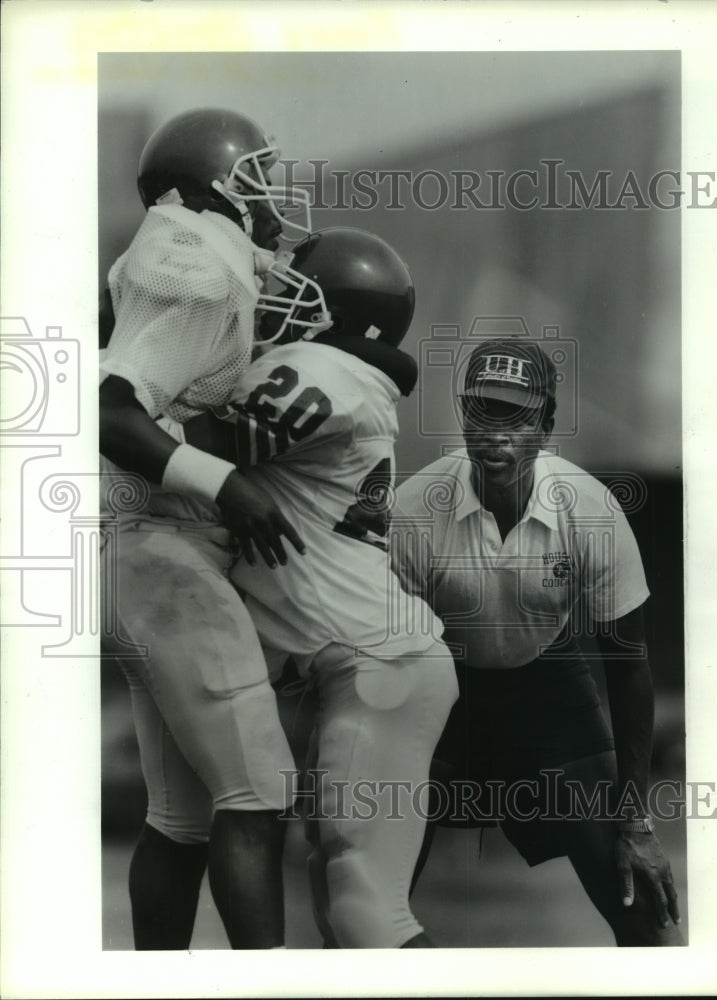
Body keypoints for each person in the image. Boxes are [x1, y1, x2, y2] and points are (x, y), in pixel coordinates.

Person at [171, 227, 459, 948]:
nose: (271, 304)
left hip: (375, 665)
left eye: (292, 294)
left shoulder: (323, 367)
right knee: (339, 907)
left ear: (337, 315)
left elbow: (212, 447)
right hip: (364, 661)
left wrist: (140, 370)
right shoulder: (337, 370)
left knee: (364, 905)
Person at [99, 107, 315, 950]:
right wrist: (227, 485)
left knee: (180, 817)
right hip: (162, 553)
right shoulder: (194, 259)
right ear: (209, 185)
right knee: (259, 796)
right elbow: (113, 412)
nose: (271, 193)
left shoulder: (189, 257)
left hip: (140, 555)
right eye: (256, 173)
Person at [390, 338, 684, 946]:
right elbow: (386, 664)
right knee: (366, 892)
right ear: (462, 417)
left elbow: (628, 669)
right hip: (445, 694)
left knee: (641, 907)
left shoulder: (591, 511)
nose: (496, 435)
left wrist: (636, 818)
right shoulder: (415, 509)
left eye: (517, 417)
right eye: (482, 413)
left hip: (549, 690)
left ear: (547, 425)